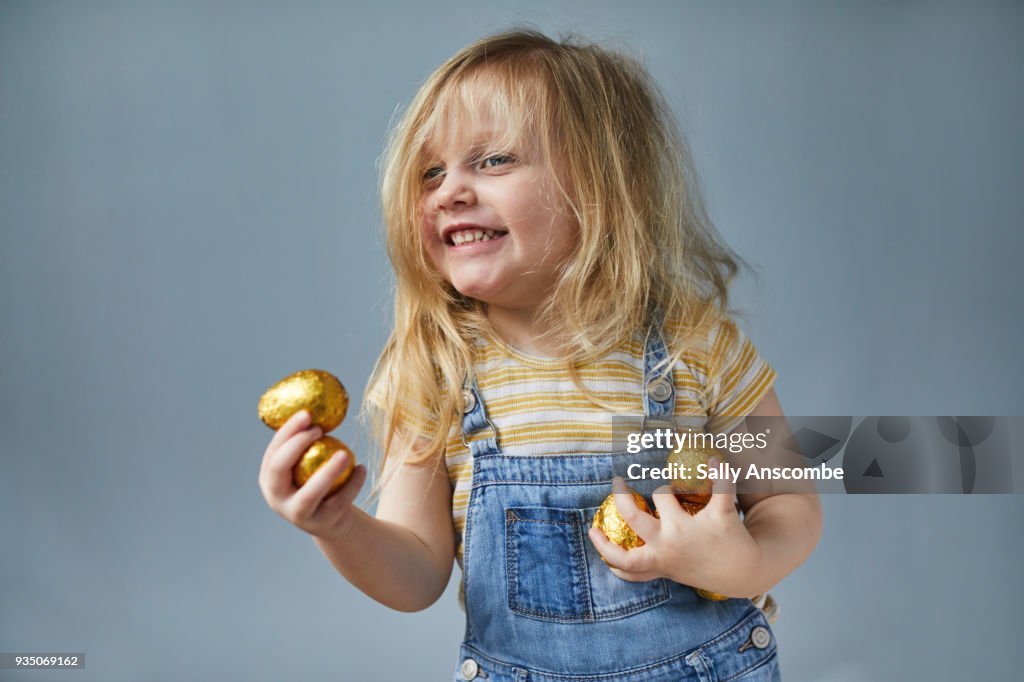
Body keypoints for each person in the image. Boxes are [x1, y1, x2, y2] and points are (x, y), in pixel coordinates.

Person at [258, 29, 822, 682]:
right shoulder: (435, 368)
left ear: (607, 184)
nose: (449, 191)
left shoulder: (696, 346)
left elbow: (790, 502)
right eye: (431, 172)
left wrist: (740, 565)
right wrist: (338, 527)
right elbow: (415, 574)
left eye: (493, 160)